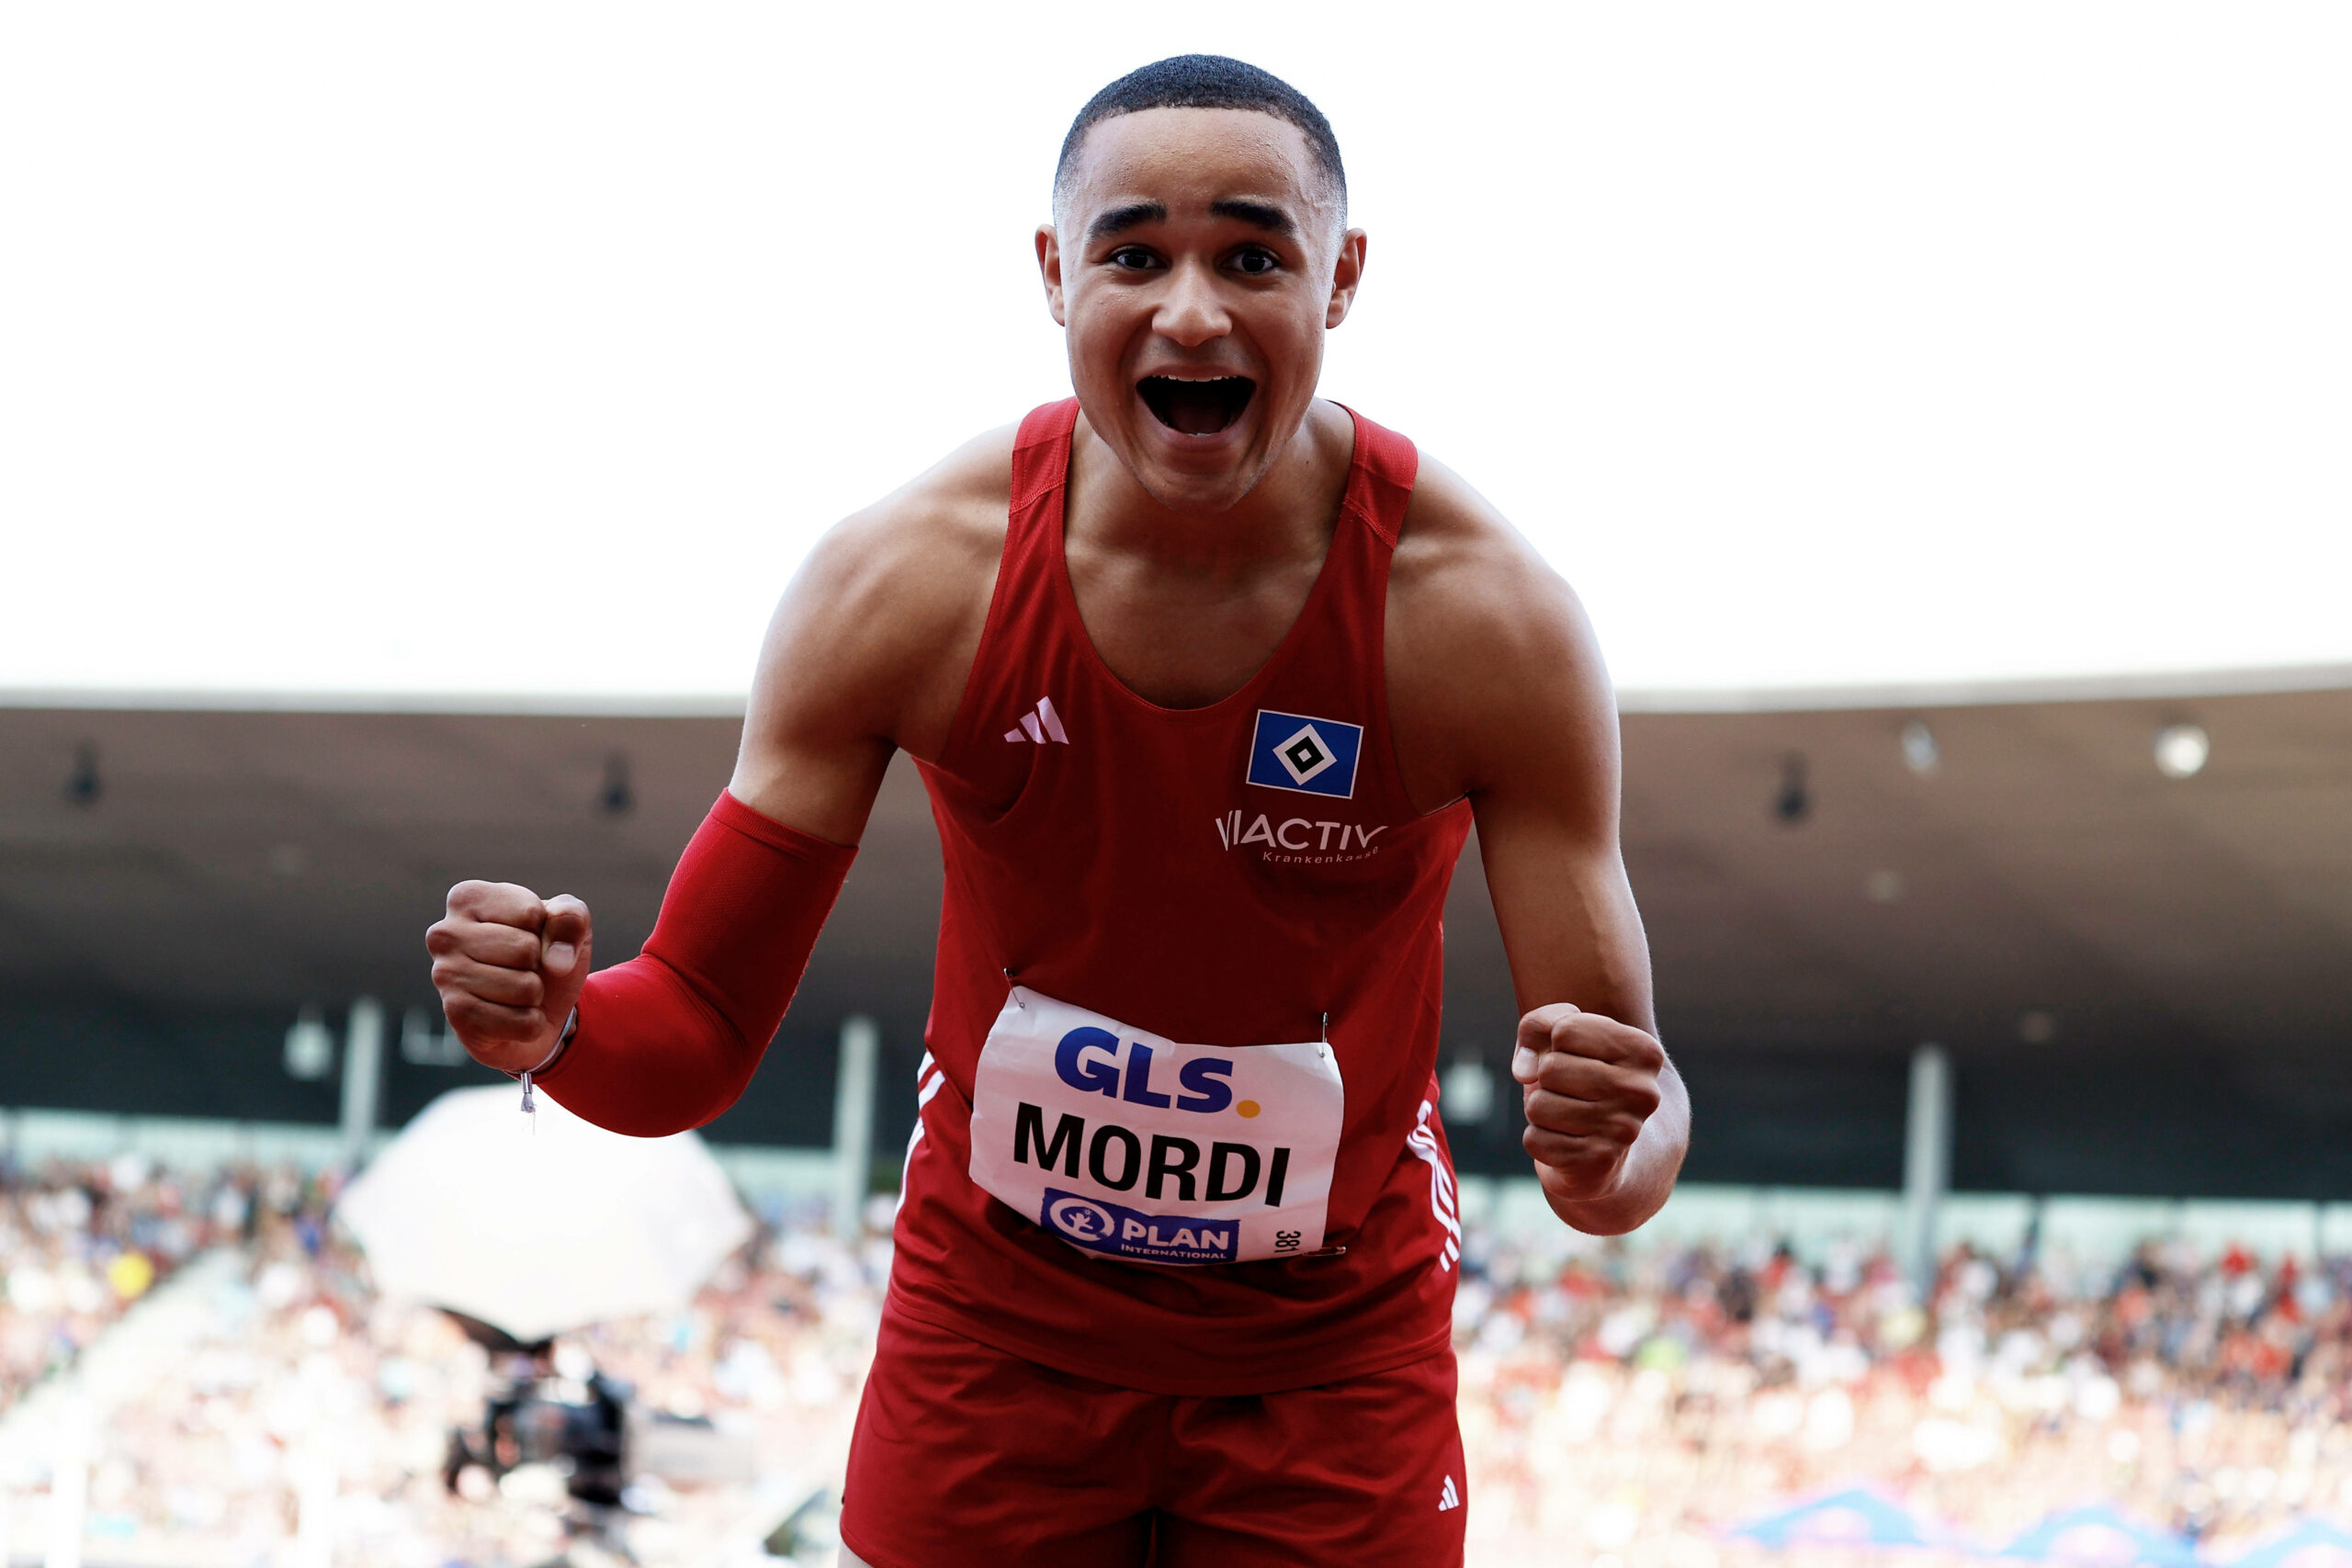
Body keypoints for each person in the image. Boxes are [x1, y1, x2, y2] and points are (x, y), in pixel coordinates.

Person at [426, 54, 1688, 1568]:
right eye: (1135, 253)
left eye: (1253, 255)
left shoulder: (1485, 626)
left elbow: (1632, 1112)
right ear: (1054, 273)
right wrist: (555, 1031)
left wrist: (1603, 1158)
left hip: (1330, 1368)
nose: (1194, 312)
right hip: (991, 1349)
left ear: (1341, 279)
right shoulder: (908, 585)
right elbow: (693, 1019)